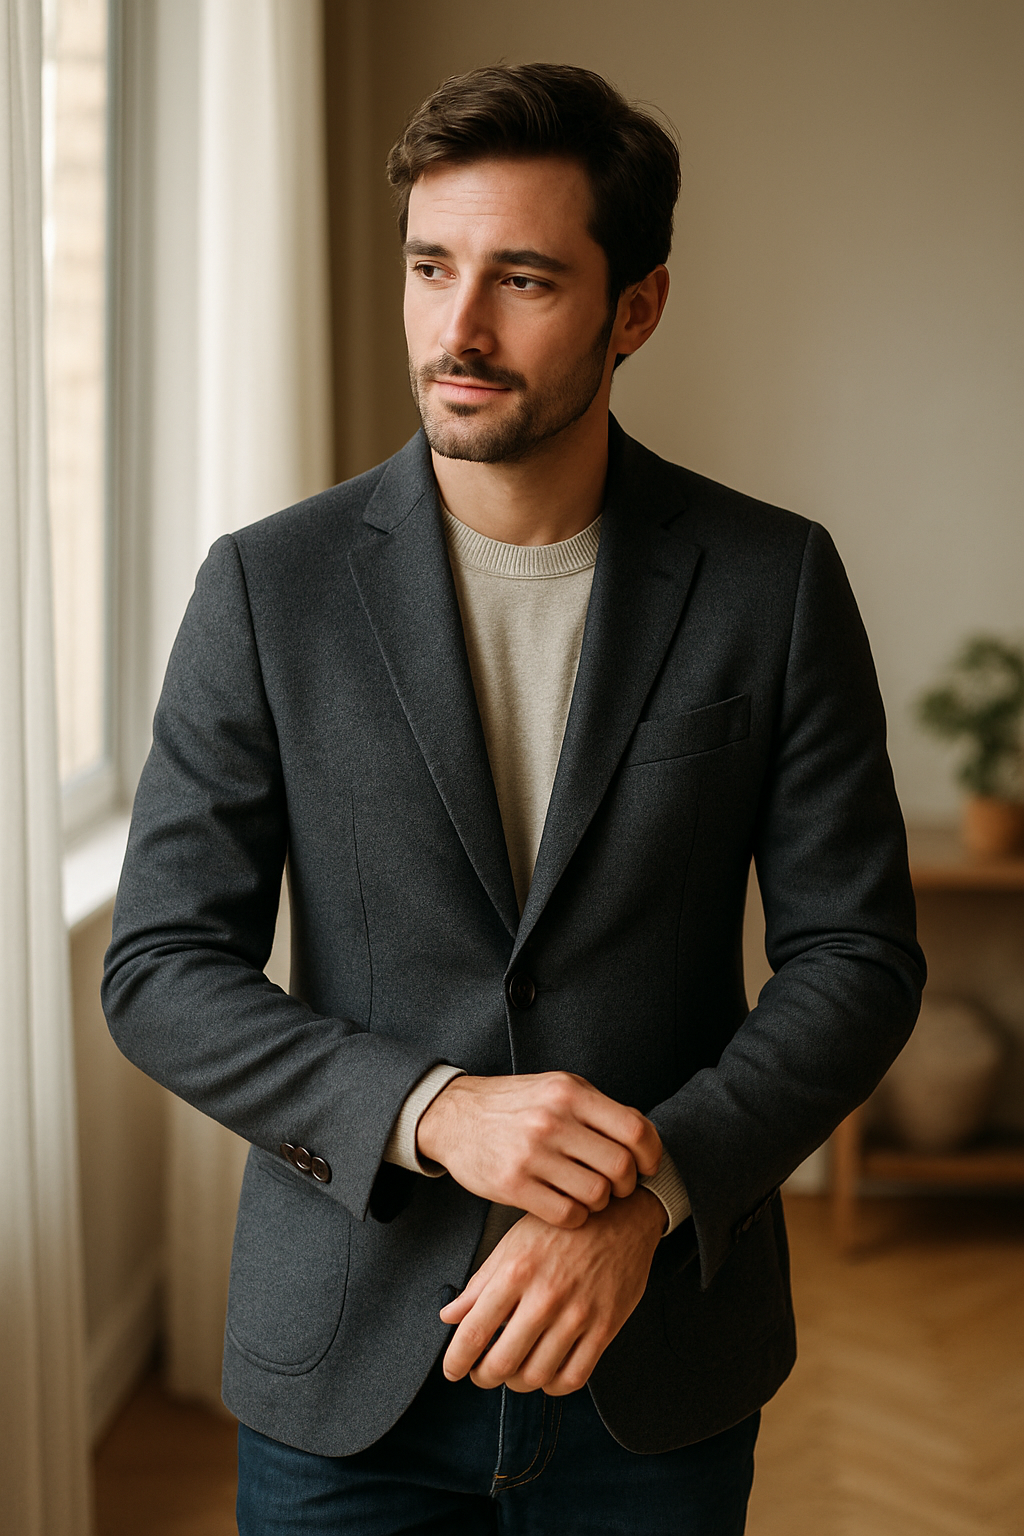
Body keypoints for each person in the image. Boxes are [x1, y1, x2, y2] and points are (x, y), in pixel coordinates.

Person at [103, 62, 925, 1535]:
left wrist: (653, 1192)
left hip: (654, 1369)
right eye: (432, 267)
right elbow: (161, 967)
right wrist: (433, 1111)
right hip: (344, 1378)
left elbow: (857, 959)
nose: (458, 328)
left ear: (637, 309)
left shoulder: (771, 582)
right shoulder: (265, 587)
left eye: (524, 279)